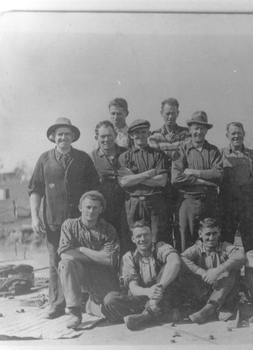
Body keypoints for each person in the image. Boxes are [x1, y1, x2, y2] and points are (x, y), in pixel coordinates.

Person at [29, 118, 99, 319]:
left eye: (67, 134)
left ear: (73, 137)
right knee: (54, 262)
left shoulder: (83, 159)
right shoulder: (44, 159)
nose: (63, 137)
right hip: (54, 222)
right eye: (59, 134)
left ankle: (83, 302)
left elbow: (94, 188)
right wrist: (35, 217)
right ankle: (57, 304)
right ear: (53, 137)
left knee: (80, 259)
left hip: (80, 222)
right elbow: (35, 190)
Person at [103, 220, 183, 330]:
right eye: (139, 236)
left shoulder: (160, 247)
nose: (143, 239)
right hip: (142, 298)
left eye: (146, 235)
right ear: (133, 239)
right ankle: (157, 315)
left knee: (166, 268)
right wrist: (149, 292)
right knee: (110, 300)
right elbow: (133, 288)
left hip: (163, 296)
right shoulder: (129, 257)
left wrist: (158, 290)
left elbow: (175, 262)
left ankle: (144, 317)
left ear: (151, 235)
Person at [57, 191, 121, 329]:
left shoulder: (108, 230)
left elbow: (109, 259)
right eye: (88, 207)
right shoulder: (69, 225)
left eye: (95, 208)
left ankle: (91, 305)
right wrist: (97, 256)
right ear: (80, 207)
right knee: (66, 264)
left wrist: (81, 249)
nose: (91, 211)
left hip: (102, 276)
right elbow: (65, 254)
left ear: (101, 210)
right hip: (79, 275)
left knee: (112, 309)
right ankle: (75, 312)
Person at [172, 111, 223, 252]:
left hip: (209, 201)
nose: (199, 132)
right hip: (188, 201)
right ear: (190, 129)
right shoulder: (182, 150)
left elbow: (218, 173)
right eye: (196, 128)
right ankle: (186, 274)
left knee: (210, 239)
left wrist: (193, 172)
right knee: (185, 240)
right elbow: (176, 178)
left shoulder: (213, 151)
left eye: (202, 128)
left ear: (206, 131)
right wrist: (204, 181)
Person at [180, 218, 245, 324]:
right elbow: (182, 258)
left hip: (225, 292)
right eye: (208, 234)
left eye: (214, 233)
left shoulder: (224, 246)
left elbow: (240, 256)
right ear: (200, 234)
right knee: (184, 269)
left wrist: (218, 271)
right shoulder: (197, 249)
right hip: (205, 292)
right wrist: (202, 272)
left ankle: (210, 308)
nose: (211, 238)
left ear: (219, 232)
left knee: (232, 269)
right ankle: (211, 308)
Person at [117, 119, 171, 245]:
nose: (140, 135)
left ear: (149, 133)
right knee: (132, 239)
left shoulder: (158, 155)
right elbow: (124, 182)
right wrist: (147, 174)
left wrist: (134, 178)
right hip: (132, 203)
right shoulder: (124, 157)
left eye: (143, 132)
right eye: (136, 133)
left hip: (154, 202)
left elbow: (161, 181)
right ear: (131, 135)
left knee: (156, 238)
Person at [149, 98, 190, 248]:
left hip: (181, 186)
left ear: (178, 113)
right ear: (161, 113)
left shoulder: (186, 135)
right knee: (164, 225)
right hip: (163, 188)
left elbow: (187, 159)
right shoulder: (154, 136)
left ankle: (182, 260)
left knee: (181, 225)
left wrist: (166, 155)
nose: (170, 116)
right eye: (167, 113)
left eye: (173, 113)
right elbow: (156, 160)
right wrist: (175, 157)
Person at [220, 122, 253, 251]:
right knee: (225, 243)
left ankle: (251, 271)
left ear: (244, 134)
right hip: (227, 207)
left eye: (239, 133)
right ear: (227, 135)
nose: (236, 136)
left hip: (249, 206)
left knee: (251, 243)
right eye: (233, 133)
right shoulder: (220, 155)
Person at [90, 121, 132, 255]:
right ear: (97, 138)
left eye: (109, 135)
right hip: (105, 210)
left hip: (126, 207)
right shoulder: (92, 158)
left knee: (127, 243)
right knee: (107, 245)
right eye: (102, 136)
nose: (106, 139)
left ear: (115, 135)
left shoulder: (127, 153)